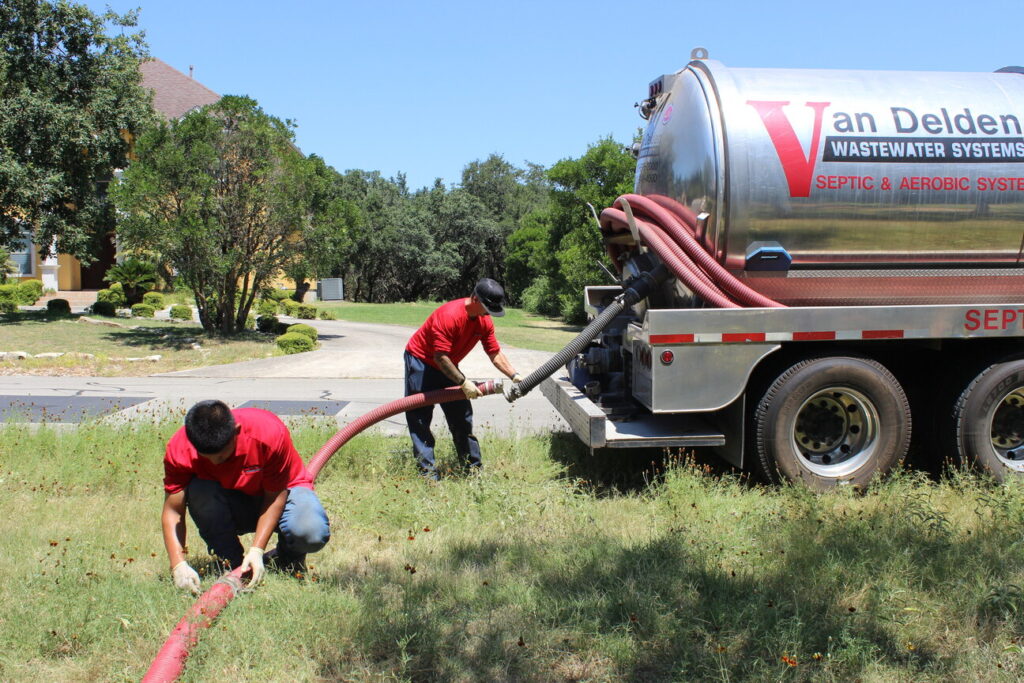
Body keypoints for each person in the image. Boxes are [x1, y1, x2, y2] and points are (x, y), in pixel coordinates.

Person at [161, 400, 330, 593]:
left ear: (237, 431)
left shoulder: (268, 433)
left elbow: (275, 496)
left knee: (311, 532)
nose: (216, 464)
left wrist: (257, 549)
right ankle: (232, 563)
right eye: (207, 458)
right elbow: (173, 511)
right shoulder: (179, 448)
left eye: (223, 456)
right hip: (232, 500)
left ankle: (286, 559)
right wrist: (178, 565)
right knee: (200, 490)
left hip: (282, 493)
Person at [404, 277, 523, 479]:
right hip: (422, 362)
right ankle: (428, 476)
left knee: (461, 417)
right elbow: (440, 357)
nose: (488, 313)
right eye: (486, 307)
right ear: (475, 299)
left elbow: (494, 352)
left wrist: (514, 374)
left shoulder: (484, 320)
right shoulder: (449, 316)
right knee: (420, 418)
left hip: (449, 365)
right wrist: (463, 382)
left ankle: (472, 470)